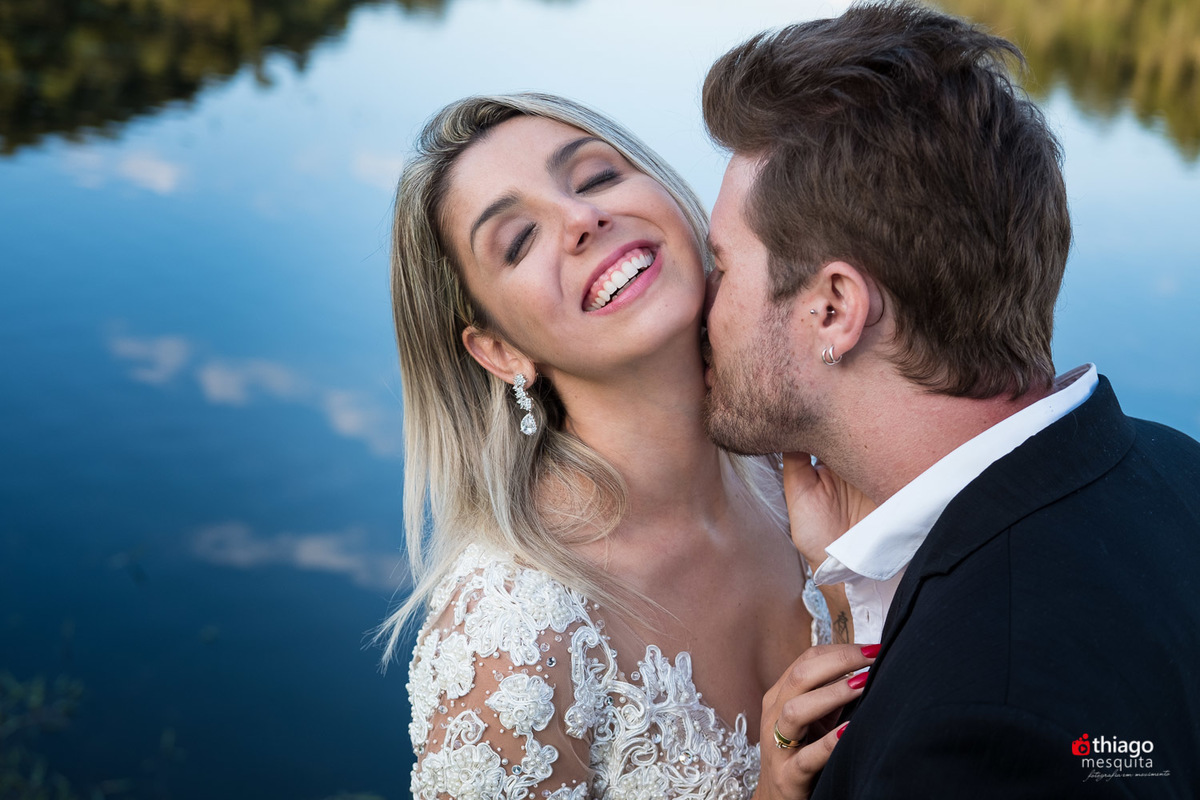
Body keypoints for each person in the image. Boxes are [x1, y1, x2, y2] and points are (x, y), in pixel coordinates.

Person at [701, 2, 1200, 798]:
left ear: (833, 308)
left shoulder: (974, 737)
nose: (702, 299)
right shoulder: (1175, 466)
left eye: (723, 265)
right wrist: (870, 587)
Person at [379, 92, 871, 800]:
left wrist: (852, 583)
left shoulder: (807, 466)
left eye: (598, 177)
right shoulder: (511, 636)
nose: (583, 219)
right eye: (518, 241)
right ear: (499, 350)